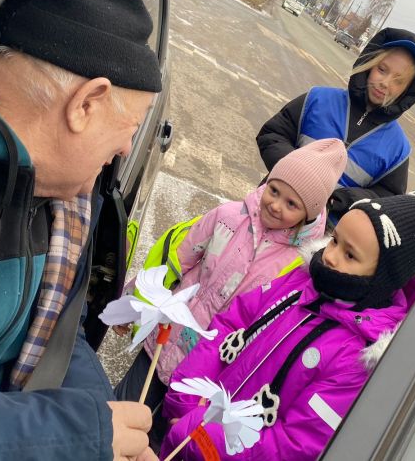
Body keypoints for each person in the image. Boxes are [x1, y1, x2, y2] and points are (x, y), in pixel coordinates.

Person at [0, 0, 163, 460]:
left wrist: (105, 423)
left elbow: (57, 328)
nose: (126, 150)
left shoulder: (64, 199)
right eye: (132, 125)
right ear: (86, 104)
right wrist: (75, 435)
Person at [159, 192, 415, 460]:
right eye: (335, 240)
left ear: (384, 278)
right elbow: (230, 324)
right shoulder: (301, 281)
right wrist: (187, 400)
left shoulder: (357, 356)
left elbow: (295, 444)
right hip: (188, 425)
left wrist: (200, 436)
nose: (329, 256)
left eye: (349, 254)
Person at [114, 139, 347, 447]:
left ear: (308, 214)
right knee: (122, 412)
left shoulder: (295, 265)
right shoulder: (227, 216)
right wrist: (134, 303)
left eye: (292, 204)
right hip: (164, 338)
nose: (276, 205)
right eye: (275, 191)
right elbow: (174, 260)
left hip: (207, 369)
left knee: (165, 439)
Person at [256, 27, 415, 224]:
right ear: (369, 64)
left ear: (408, 90)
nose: (385, 83)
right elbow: (272, 134)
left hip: (321, 236)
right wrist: (297, 178)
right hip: (268, 210)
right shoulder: (317, 99)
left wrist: (344, 199)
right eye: (382, 69)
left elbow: (387, 197)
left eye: (398, 80)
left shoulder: (398, 149)